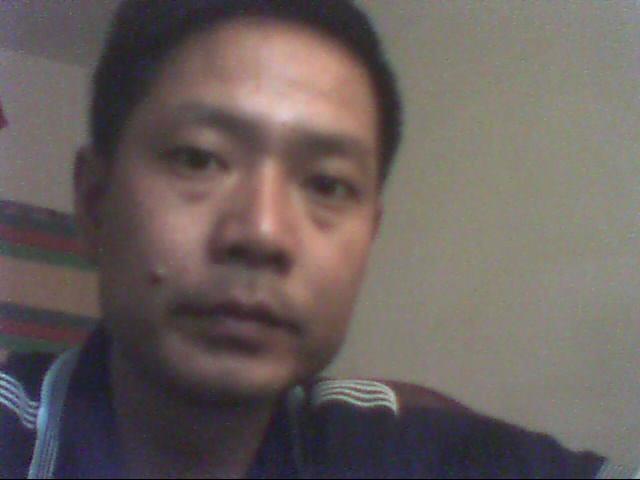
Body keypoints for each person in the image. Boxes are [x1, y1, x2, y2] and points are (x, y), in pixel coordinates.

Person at [0, 1, 631, 477]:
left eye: (328, 184)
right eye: (198, 158)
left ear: (369, 241)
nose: (264, 232)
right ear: (95, 203)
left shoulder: (399, 452)